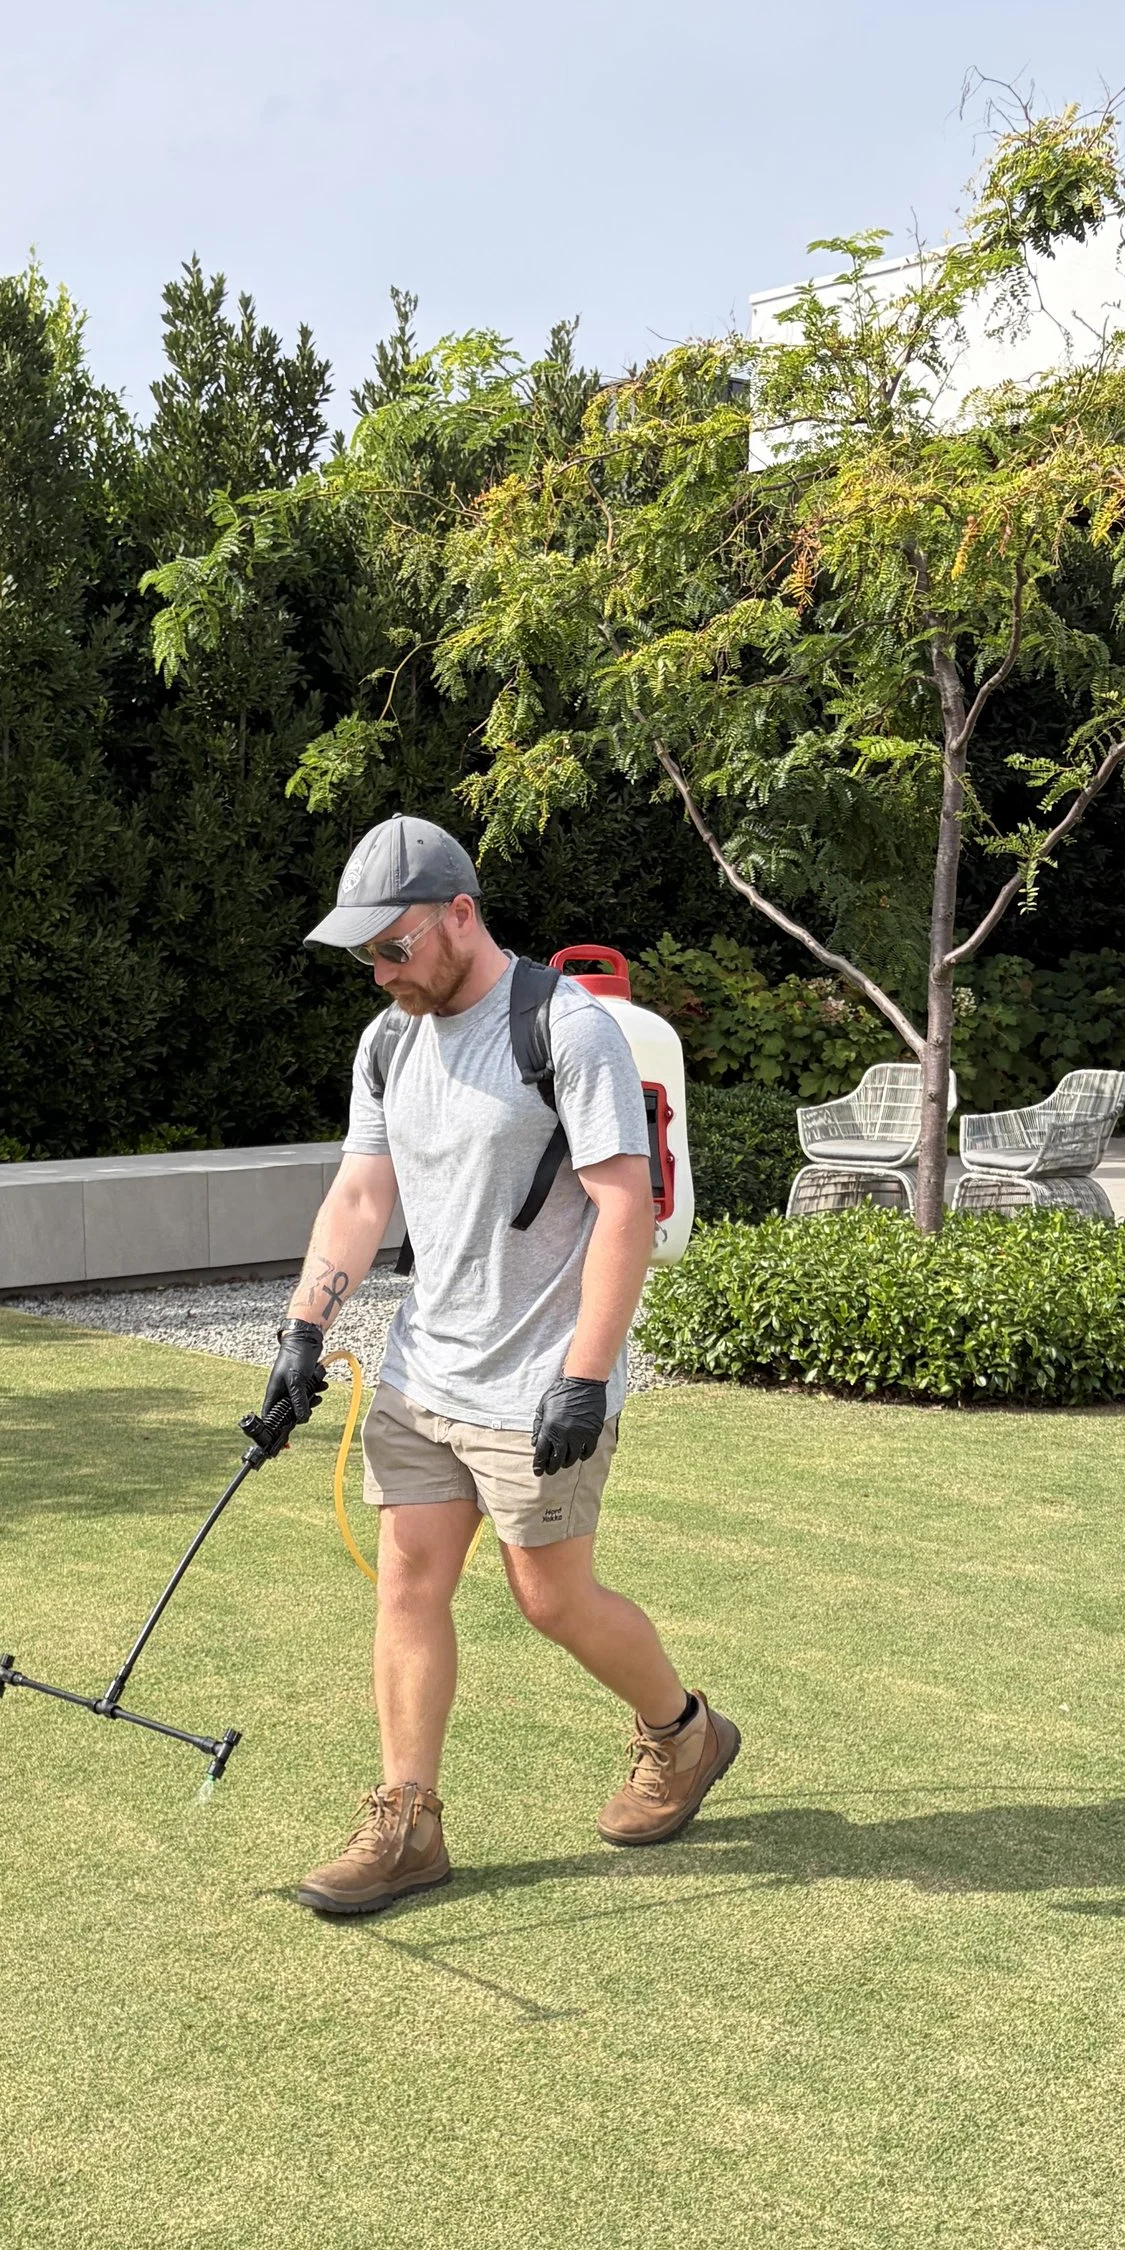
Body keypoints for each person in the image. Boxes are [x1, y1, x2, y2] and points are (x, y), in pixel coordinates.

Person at [264, 813, 739, 1917]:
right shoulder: (387, 1042)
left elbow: (624, 1205)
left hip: (537, 1380)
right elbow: (361, 1196)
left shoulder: (565, 1033)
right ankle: (406, 1822)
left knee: (550, 1597)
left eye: (395, 947)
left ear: (460, 916)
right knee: (408, 1582)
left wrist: (586, 1372)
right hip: (426, 1371)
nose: (380, 972)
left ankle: (684, 1733)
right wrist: (302, 1330)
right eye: (365, 956)